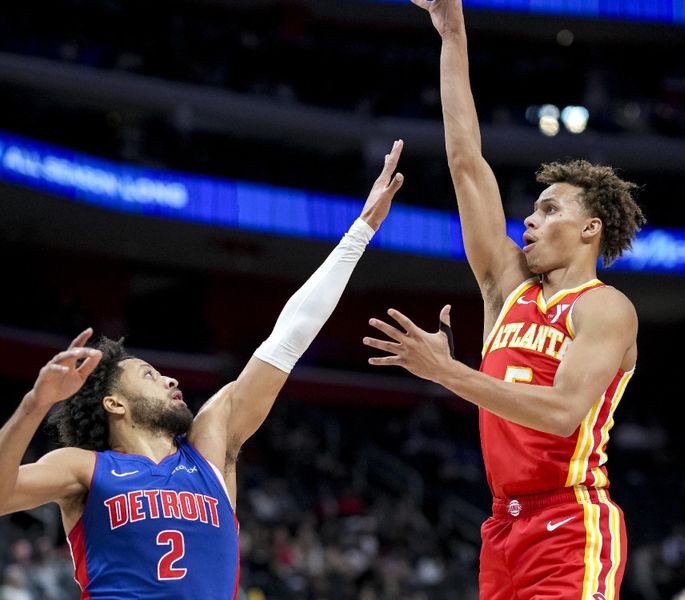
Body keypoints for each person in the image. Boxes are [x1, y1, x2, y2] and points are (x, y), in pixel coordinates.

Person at [0, 140, 406, 599]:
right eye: (149, 375)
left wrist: (361, 231)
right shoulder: (84, 468)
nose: (171, 379)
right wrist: (34, 405)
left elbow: (287, 337)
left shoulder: (209, 448)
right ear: (113, 403)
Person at [363, 3, 646, 599]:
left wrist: (448, 372)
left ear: (591, 228)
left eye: (549, 209)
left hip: (571, 521)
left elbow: (561, 412)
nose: (529, 219)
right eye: (533, 208)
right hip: (502, 526)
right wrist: (452, 31)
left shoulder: (606, 308)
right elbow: (466, 163)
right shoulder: (507, 287)